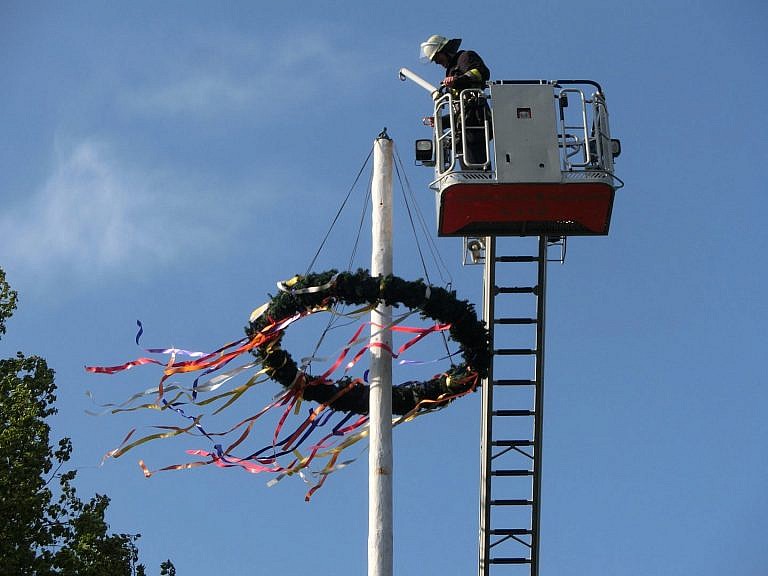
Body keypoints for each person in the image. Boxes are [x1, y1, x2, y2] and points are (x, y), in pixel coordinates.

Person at [420, 35, 491, 168]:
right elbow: (459, 110)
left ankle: (480, 182)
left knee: (477, 167)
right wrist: (441, 121)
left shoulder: (464, 57)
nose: (436, 62)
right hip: (464, 124)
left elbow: (481, 72)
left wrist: (456, 80)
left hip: (475, 120)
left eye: (437, 58)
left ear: (445, 50)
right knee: (466, 166)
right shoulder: (451, 70)